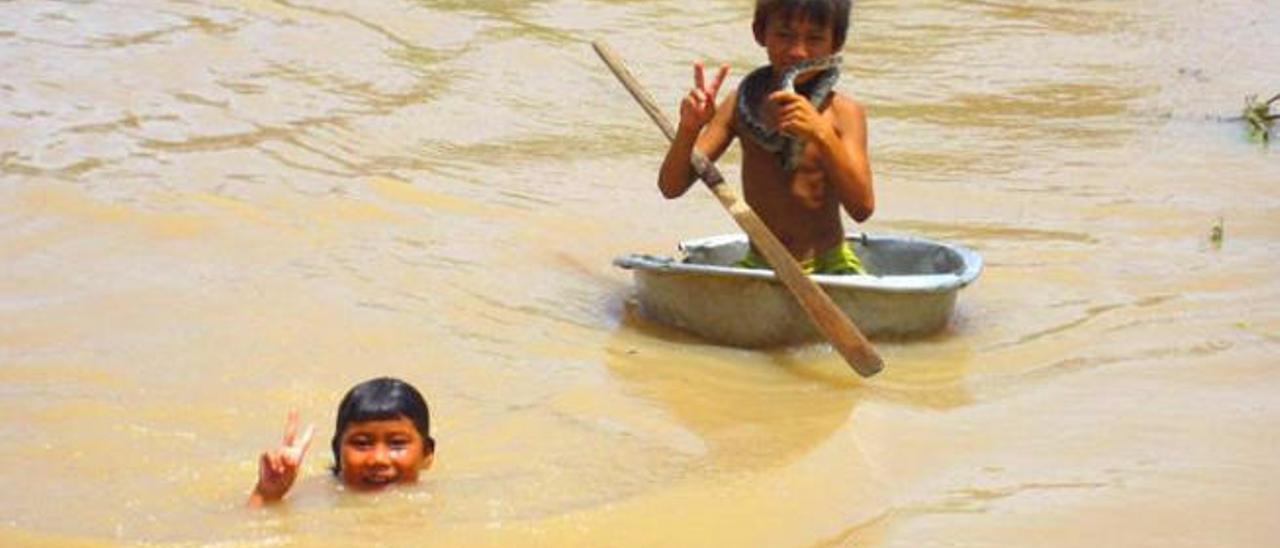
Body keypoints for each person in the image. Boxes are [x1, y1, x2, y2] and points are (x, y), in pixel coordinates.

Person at [657, 0, 872, 275]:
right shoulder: (740, 104)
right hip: (761, 263)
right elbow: (671, 187)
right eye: (784, 35)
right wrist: (688, 129)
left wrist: (821, 133)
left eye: (815, 38)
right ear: (760, 32)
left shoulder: (843, 113)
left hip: (829, 264)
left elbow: (862, 208)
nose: (798, 51)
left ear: (836, 43)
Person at [247, 377, 436, 507]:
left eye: (397, 444)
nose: (378, 459)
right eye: (362, 443)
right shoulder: (316, 497)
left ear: (427, 454)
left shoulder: (440, 504)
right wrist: (267, 494)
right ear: (337, 451)